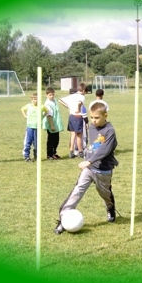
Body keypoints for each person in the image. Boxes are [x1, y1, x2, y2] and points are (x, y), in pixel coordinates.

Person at [54, 101, 118, 235]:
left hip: (103, 170)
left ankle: (110, 209)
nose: (93, 121)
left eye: (97, 117)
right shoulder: (92, 127)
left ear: (105, 115)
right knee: (76, 192)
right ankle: (62, 220)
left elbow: (104, 149)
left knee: (105, 194)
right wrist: (87, 159)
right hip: (88, 169)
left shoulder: (109, 130)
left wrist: (89, 161)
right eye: (92, 117)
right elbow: (92, 145)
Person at [59, 83, 87, 158]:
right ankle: (81, 151)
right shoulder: (81, 96)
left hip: (71, 116)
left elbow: (60, 100)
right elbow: (79, 102)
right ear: (83, 90)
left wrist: (68, 107)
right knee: (79, 135)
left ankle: (71, 151)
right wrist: (78, 108)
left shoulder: (72, 96)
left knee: (72, 135)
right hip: (77, 116)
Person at [42, 87, 64, 160]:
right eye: (50, 95)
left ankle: (54, 153)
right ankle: (50, 154)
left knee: (56, 140)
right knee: (51, 140)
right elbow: (49, 115)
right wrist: (52, 125)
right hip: (52, 125)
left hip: (56, 123)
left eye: (53, 95)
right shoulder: (48, 104)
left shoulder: (54, 101)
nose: (52, 96)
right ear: (47, 95)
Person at [21, 93, 40, 162]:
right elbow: (22, 109)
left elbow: (46, 111)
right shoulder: (29, 106)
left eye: (36, 99)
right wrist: (25, 116)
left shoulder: (40, 106)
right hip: (29, 127)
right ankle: (26, 156)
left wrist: (42, 117)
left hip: (37, 127)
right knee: (28, 142)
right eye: (33, 99)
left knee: (36, 143)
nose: (35, 101)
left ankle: (36, 155)